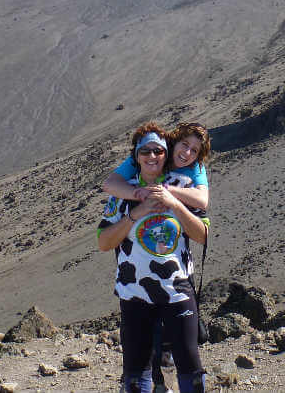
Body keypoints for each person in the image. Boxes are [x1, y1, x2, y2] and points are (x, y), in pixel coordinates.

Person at [98, 122, 209, 393]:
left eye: (158, 151)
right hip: (134, 291)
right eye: (145, 151)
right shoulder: (122, 193)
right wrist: (136, 213)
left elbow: (202, 234)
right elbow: (103, 242)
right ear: (136, 156)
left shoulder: (183, 186)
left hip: (177, 290)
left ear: (165, 153)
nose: (152, 156)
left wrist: (174, 204)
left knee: (191, 371)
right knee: (136, 376)